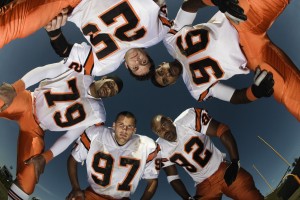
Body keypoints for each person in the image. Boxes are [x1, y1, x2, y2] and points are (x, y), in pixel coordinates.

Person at [0, 0, 246, 79]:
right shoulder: (158, 33)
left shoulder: (106, 64)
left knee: (13, 25)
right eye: (145, 62)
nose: (138, 61)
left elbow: (65, 51)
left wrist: (54, 32)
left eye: (136, 67)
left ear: (127, 67)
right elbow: (179, 5)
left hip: (72, 4)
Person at [0, 42, 123, 199]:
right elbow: (46, 71)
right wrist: (15, 87)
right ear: (104, 77)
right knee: (2, 100)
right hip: (28, 101)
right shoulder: (82, 68)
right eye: (111, 84)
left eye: (113, 92)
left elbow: (69, 136)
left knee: (31, 174)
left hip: (37, 129)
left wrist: (46, 157)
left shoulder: (98, 114)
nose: (110, 90)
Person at [152, 0, 300, 121]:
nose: (166, 75)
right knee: (290, 96)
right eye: (165, 80)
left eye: (161, 72)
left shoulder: (170, 40)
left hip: (238, 18)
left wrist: (212, 0)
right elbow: (234, 97)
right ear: (172, 83)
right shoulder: (196, 90)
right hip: (253, 55)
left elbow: (188, 6)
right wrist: (254, 92)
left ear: (161, 64)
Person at [151, 108, 264, 200]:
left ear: (170, 120)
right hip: (203, 185)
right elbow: (173, 177)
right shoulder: (160, 149)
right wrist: (187, 198)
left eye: (164, 125)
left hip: (222, 169)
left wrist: (235, 162)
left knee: (250, 196)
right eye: (159, 131)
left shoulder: (187, 119)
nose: (164, 131)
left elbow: (221, 130)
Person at [66, 111, 160, 200]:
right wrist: (75, 188)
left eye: (129, 126)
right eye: (121, 125)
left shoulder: (147, 146)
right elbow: (73, 159)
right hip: (93, 195)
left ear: (134, 130)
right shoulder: (96, 134)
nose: (124, 129)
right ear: (114, 125)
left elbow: (153, 180)